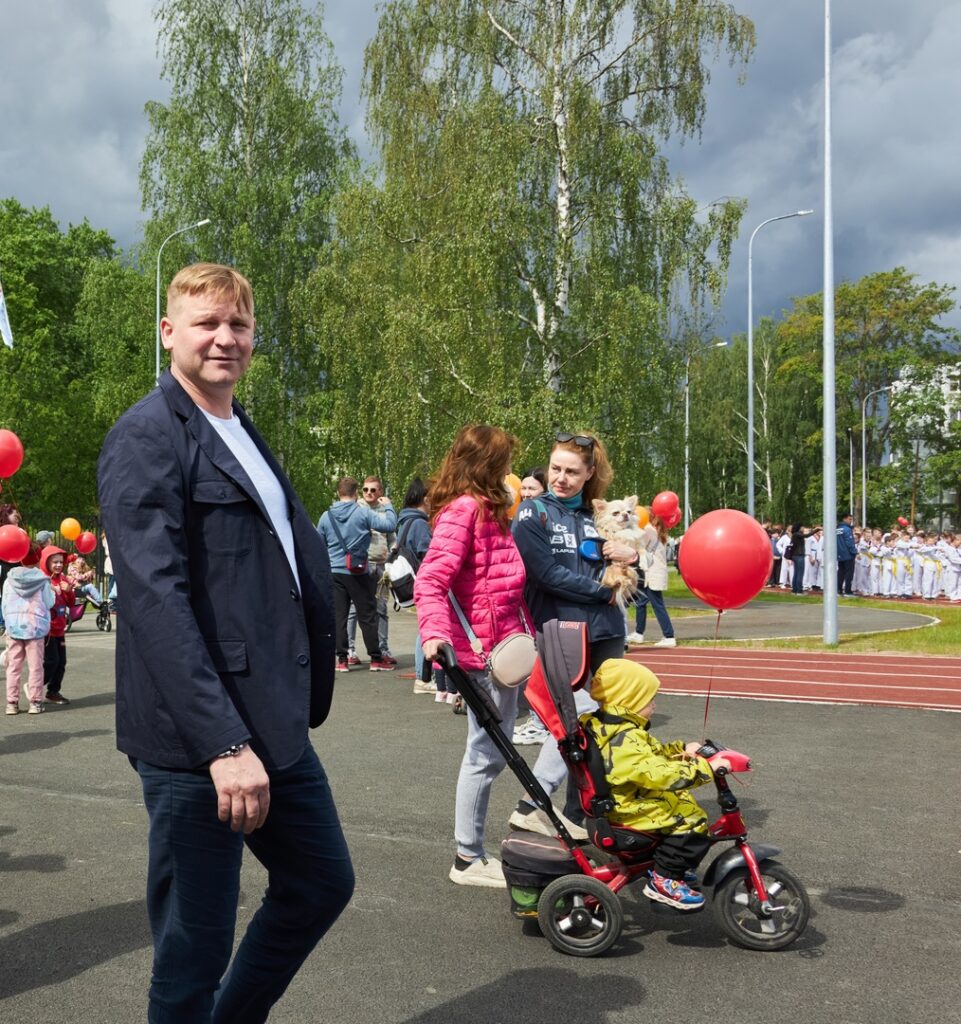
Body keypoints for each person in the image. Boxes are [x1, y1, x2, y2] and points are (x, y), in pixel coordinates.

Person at [98, 263, 354, 1024]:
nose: (224, 337)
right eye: (206, 322)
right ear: (169, 331)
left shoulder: (240, 429)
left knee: (319, 884)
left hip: (273, 723)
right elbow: (154, 601)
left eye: (238, 325)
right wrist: (221, 743)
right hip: (199, 741)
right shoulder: (146, 435)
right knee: (193, 950)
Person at [509, 430, 642, 839]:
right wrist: (602, 592)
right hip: (562, 630)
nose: (561, 478)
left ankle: (579, 815)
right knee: (571, 722)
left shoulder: (596, 515)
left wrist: (632, 555)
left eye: (571, 471)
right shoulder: (533, 513)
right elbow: (545, 575)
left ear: (589, 475)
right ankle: (536, 806)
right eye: (555, 468)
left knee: (607, 723)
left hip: (607, 631)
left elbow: (629, 561)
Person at [414, 424, 532, 888]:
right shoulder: (465, 510)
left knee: (492, 752)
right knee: (485, 754)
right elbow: (430, 581)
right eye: (505, 463)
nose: (510, 473)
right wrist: (435, 636)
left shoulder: (490, 511)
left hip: (503, 648)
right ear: (489, 467)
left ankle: (473, 850)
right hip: (482, 655)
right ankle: (467, 856)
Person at [584, 658, 732, 911]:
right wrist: (704, 768)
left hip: (621, 802)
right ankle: (665, 878)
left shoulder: (613, 726)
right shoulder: (625, 738)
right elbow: (658, 775)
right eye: (649, 699)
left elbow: (652, 755)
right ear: (628, 701)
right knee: (693, 821)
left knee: (681, 803)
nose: (654, 704)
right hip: (627, 813)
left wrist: (682, 750)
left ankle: (668, 868)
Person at [318, 477, 398, 672]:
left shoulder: (326, 517)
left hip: (335, 571)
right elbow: (390, 525)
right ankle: (376, 659)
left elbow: (319, 543)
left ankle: (342, 659)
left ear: (339, 493)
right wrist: (388, 506)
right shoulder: (362, 514)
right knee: (368, 615)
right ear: (355, 494)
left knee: (340, 616)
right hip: (359, 571)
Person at [396, 476, 449, 700]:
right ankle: (422, 677)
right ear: (426, 499)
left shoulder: (404, 520)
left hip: (411, 581)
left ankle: (422, 676)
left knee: (422, 627)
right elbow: (428, 554)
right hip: (423, 581)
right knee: (424, 630)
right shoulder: (419, 523)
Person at [346, 475, 395, 665]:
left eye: (373, 490)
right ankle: (350, 650)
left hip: (381, 565)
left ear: (380, 492)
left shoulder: (385, 510)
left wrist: (393, 555)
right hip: (360, 565)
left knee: (381, 608)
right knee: (353, 609)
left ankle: (383, 648)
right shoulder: (356, 508)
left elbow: (392, 537)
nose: (369, 493)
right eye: (366, 489)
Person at [4, 542, 54, 715]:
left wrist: (7, 623)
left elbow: (4, 604)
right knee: (36, 667)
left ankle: (12, 702)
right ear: (39, 558)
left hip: (14, 627)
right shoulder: (42, 580)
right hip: (35, 627)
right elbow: (49, 602)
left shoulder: (9, 579)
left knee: (13, 666)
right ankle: (35, 702)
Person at [628, 510, 676, 647]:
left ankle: (669, 636)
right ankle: (639, 633)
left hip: (652, 574)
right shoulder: (658, 532)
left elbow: (638, 546)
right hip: (650, 573)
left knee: (657, 605)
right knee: (640, 602)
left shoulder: (648, 530)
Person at [40, 544, 74, 704]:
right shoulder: (43, 580)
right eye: (55, 562)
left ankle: (53, 691)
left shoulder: (64, 579)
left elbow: (71, 603)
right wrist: (51, 589)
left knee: (61, 662)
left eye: (61, 562)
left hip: (60, 629)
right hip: (47, 630)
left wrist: (68, 591)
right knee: (51, 661)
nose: (59, 565)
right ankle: (36, 685)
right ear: (46, 562)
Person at [837, 512, 858, 596]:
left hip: (839, 554)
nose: (851, 521)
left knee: (840, 572)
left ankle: (839, 590)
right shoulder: (847, 529)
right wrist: (855, 552)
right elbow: (849, 542)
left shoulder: (837, 529)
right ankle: (848, 591)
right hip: (848, 554)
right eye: (849, 519)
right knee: (849, 573)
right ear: (844, 519)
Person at [789, 522, 807, 596]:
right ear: (800, 528)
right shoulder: (798, 534)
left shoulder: (794, 535)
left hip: (795, 555)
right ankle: (799, 591)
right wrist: (816, 530)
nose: (804, 529)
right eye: (803, 527)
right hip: (799, 555)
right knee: (800, 573)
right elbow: (807, 535)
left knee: (796, 573)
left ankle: (794, 590)